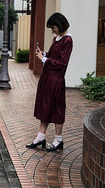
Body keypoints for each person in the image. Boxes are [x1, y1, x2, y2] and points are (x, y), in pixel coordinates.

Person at [26, 12, 73, 152]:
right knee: (45, 107)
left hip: (56, 80)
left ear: (60, 25)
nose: (52, 30)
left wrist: (44, 59)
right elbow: (55, 56)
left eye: (53, 27)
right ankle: (40, 137)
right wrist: (44, 54)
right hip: (48, 78)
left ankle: (58, 140)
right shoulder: (57, 38)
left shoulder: (67, 41)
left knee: (57, 108)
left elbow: (62, 63)